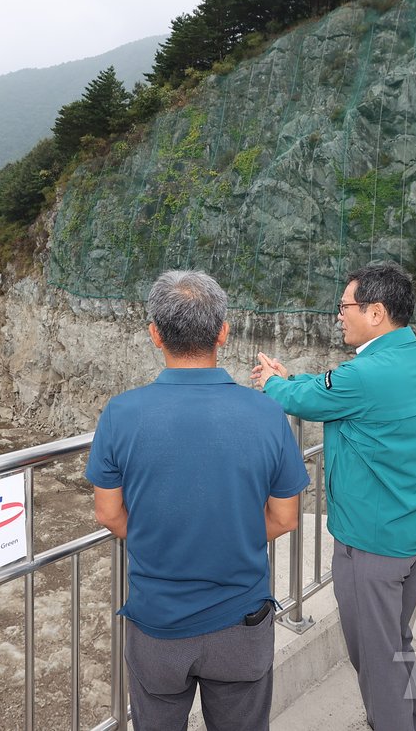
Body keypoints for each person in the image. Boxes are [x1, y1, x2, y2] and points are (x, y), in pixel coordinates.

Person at [85, 269, 310, 730]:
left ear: (155, 335)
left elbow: (108, 512)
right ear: (223, 333)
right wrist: (231, 534)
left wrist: (156, 534)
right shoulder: (266, 412)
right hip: (241, 622)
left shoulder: (121, 413)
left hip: (157, 624)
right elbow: (286, 517)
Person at [251, 262, 416, 731]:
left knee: (376, 662)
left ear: (376, 312)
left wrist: (273, 382)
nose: (339, 315)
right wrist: (295, 379)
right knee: (395, 645)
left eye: (345, 306)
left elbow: (308, 398)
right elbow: (330, 392)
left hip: (371, 544)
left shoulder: (366, 374)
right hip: (414, 533)